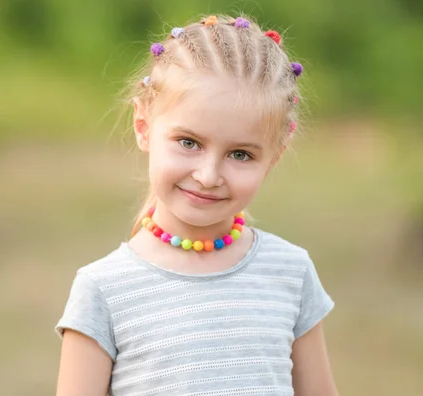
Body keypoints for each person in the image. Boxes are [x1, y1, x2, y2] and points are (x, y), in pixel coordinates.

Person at [55, 14, 339, 396]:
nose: (208, 175)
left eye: (240, 154)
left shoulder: (290, 272)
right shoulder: (104, 290)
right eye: (189, 142)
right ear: (143, 126)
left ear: (274, 157)